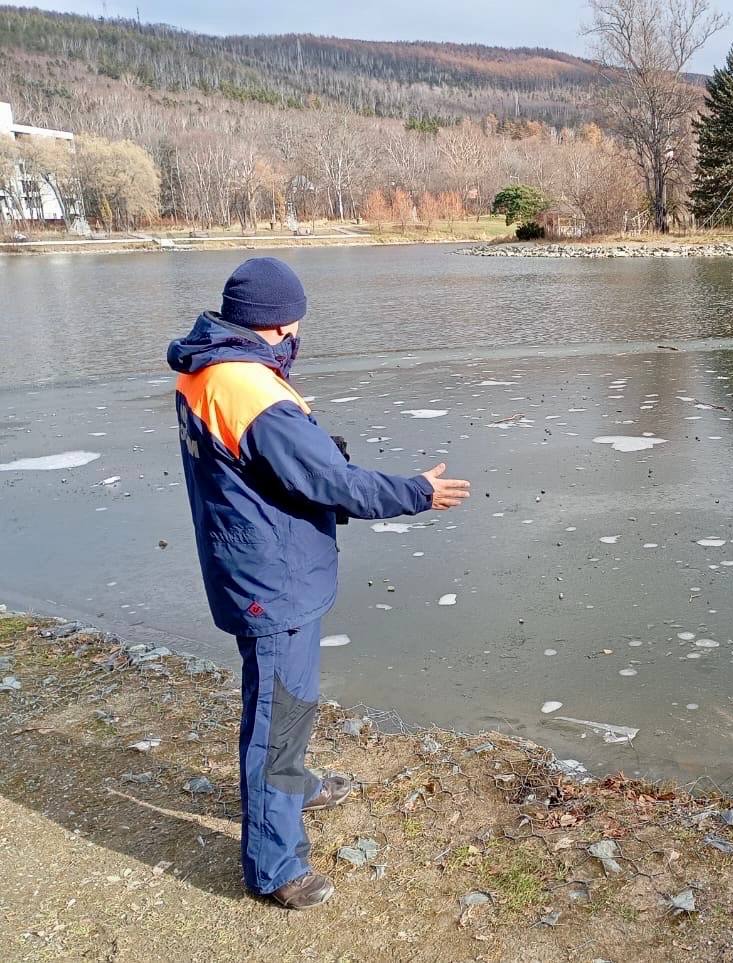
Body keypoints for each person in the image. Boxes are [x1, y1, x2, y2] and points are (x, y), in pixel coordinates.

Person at [167, 257, 470, 910]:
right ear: (277, 323)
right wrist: (418, 491)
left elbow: (254, 465)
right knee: (276, 717)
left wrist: (310, 448)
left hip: (256, 565)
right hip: (271, 580)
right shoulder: (250, 391)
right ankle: (275, 865)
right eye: (297, 320)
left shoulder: (207, 371)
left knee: (286, 701)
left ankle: (295, 785)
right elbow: (331, 483)